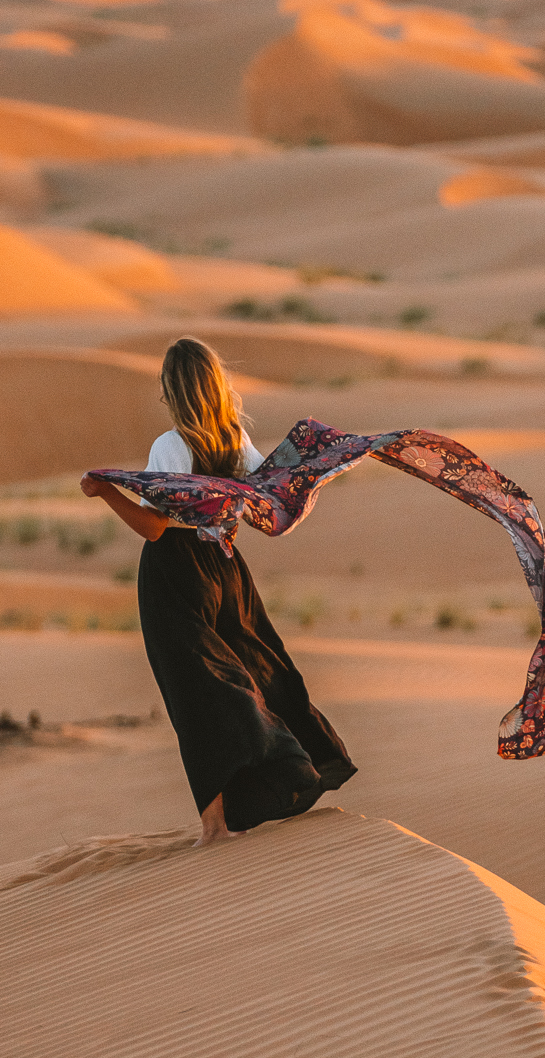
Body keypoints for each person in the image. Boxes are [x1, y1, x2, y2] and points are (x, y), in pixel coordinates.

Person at [80, 336, 356, 844]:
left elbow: (155, 527)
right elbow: (269, 506)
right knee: (258, 669)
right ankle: (285, 779)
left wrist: (106, 493)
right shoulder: (235, 444)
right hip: (228, 571)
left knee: (195, 696)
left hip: (176, 575)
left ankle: (214, 827)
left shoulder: (171, 445)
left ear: (175, 392)